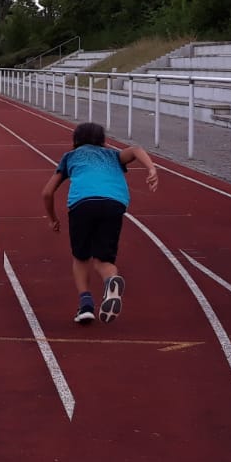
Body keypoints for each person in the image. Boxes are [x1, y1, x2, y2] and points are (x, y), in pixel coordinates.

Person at [41, 122, 159, 325]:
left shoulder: (70, 157)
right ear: (102, 139)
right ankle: (110, 282)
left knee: (81, 256)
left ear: (76, 140)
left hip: (82, 204)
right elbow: (136, 149)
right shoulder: (113, 155)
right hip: (114, 204)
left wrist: (52, 219)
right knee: (104, 259)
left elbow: (47, 192)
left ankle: (85, 305)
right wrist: (151, 169)